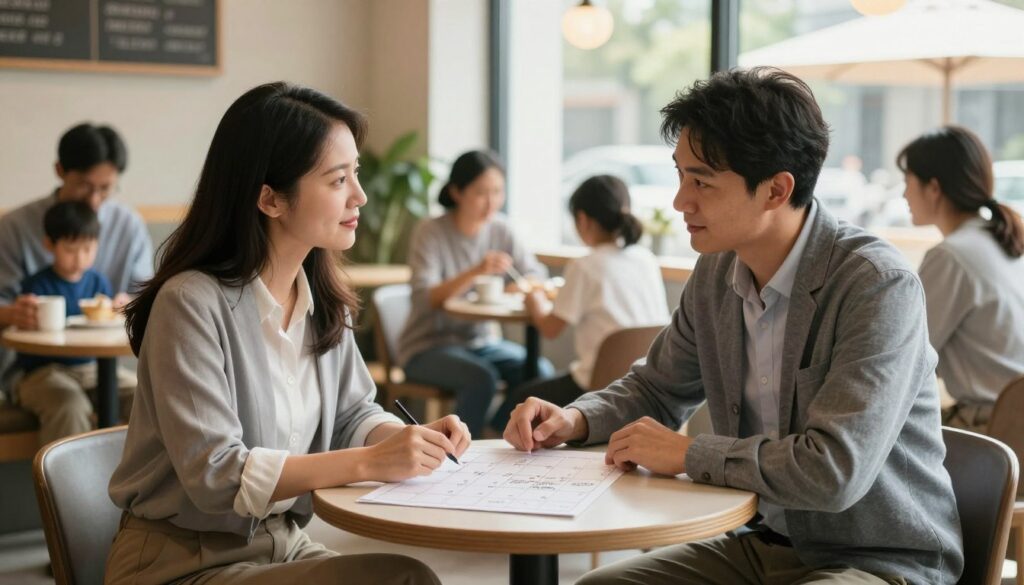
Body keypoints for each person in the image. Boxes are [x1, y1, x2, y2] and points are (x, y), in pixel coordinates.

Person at [504, 68, 963, 585]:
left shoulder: (877, 286)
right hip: (758, 546)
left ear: (775, 189)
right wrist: (575, 420)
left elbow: (834, 470)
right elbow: (657, 388)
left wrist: (687, 453)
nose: (680, 201)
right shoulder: (717, 271)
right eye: (679, 175)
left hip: (878, 559)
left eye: (700, 181)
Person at [105, 82, 464, 585]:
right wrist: (369, 461)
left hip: (280, 544)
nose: (359, 196)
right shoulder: (190, 303)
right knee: (404, 579)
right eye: (338, 180)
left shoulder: (322, 298)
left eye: (354, 174)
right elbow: (216, 474)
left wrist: (406, 440)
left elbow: (352, 413)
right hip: (177, 563)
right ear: (270, 199)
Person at [492, 175, 670, 429]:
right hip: (649, 383)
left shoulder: (585, 265)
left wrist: (535, 301)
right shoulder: (646, 259)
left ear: (583, 220)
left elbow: (550, 328)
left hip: (598, 386)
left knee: (517, 404)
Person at [398, 149, 553, 437]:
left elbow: (535, 273)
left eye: (498, 191)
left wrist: (520, 284)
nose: (491, 201)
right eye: (482, 192)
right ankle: (460, 451)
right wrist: (476, 271)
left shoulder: (502, 229)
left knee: (538, 370)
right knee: (482, 378)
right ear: (457, 191)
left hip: (480, 343)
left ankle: (495, 435)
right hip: (427, 346)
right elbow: (423, 297)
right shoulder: (431, 231)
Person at [0, 123, 153, 392]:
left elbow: (146, 296)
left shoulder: (128, 225)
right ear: (60, 171)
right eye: (84, 185)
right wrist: (13, 313)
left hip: (101, 364)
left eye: (105, 188)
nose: (94, 200)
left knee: (149, 401)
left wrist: (129, 304)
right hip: (33, 367)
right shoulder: (15, 227)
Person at [897, 125, 1024, 433]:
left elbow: (903, 358)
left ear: (934, 187)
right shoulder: (1000, 238)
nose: (903, 193)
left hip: (994, 428)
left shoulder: (951, 257)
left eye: (907, 181)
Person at [15, 200, 136, 445]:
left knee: (143, 394)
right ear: (49, 244)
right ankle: (65, 482)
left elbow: (107, 327)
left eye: (88, 249)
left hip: (94, 368)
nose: (79, 258)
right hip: (43, 371)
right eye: (71, 250)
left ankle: (136, 478)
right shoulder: (37, 287)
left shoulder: (98, 284)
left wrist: (123, 309)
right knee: (69, 405)